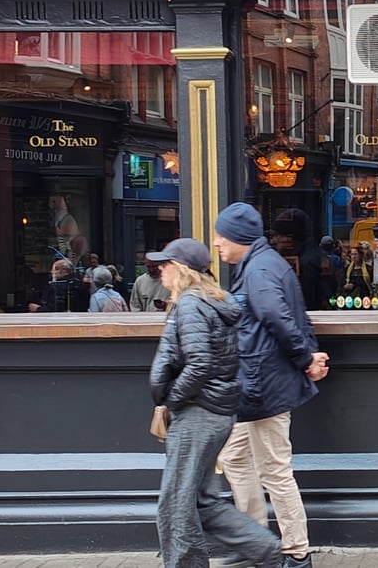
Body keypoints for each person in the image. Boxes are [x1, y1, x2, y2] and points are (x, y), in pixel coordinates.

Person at [148, 238, 282, 568]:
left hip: (199, 412)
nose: (159, 270)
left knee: (176, 503)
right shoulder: (209, 300)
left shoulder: (191, 304)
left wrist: (174, 399)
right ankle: (264, 549)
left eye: (164, 264)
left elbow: (200, 363)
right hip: (213, 411)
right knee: (202, 500)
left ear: (180, 269)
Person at [213, 202, 330, 568]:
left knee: (275, 471)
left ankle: (296, 552)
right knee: (233, 457)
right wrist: (308, 355)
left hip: (264, 385)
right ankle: (255, 542)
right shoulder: (263, 264)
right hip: (257, 384)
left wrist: (306, 358)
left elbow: (278, 317)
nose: (216, 243)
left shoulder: (260, 269)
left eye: (221, 236)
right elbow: (294, 317)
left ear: (238, 238)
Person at [272, 208, 326, 311]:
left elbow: (310, 304)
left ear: (290, 238)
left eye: (278, 235)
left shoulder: (306, 263)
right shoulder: (309, 256)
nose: (274, 240)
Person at [319, 235, 344, 308]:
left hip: (320, 289)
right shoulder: (337, 259)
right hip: (333, 287)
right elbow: (340, 275)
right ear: (333, 246)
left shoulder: (318, 258)